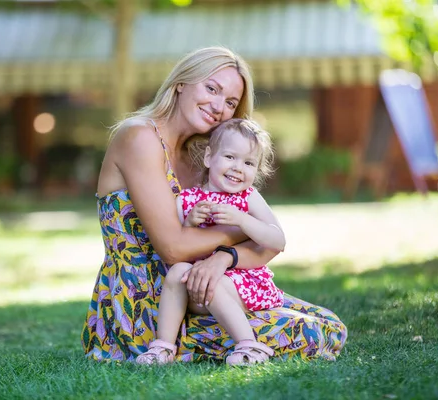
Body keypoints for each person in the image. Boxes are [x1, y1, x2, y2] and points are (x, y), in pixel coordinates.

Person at [81, 46, 347, 362]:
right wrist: (239, 227)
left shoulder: (205, 155)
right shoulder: (139, 137)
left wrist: (225, 258)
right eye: (212, 89)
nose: (219, 106)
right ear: (181, 82)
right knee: (311, 333)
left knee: (330, 325)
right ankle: (175, 347)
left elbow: (272, 244)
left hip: (208, 287)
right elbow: (174, 249)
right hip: (146, 301)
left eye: (231, 102)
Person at [136, 119, 284, 366]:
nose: (238, 168)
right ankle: (163, 347)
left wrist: (243, 220)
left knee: (214, 280)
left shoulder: (249, 198)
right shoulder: (188, 199)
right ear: (208, 158)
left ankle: (249, 345)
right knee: (177, 271)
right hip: (195, 283)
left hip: (239, 284)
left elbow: (278, 240)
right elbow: (178, 244)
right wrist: (190, 222)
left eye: (248, 163)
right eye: (230, 157)